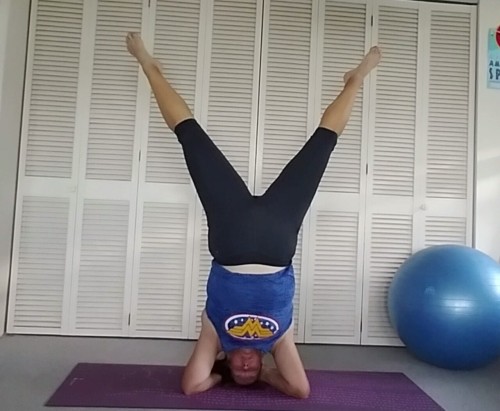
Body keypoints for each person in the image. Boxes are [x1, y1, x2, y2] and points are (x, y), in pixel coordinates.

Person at [126, 32, 381, 399]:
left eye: (238, 371)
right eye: (252, 372)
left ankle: (149, 66)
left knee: (190, 137)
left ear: (225, 362)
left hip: (230, 235)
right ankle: (355, 80)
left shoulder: (216, 333)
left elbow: (192, 385)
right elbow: (300, 390)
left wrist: (218, 379)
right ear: (263, 365)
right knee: (323, 144)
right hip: (277, 239)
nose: (245, 366)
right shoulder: (278, 340)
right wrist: (269, 379)